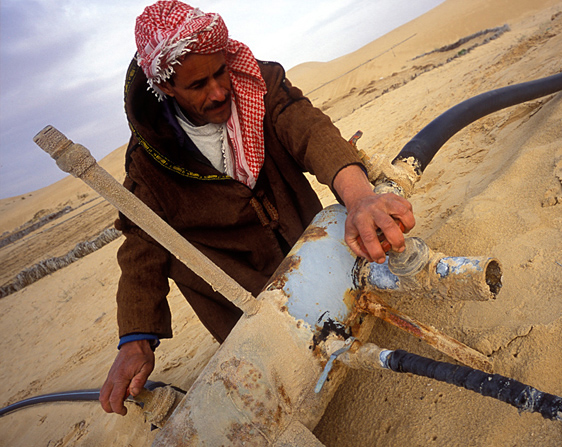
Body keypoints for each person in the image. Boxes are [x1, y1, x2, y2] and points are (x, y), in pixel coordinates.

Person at [100, 0, 415, 415]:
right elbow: (142, 243)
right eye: (197, 86)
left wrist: (359, 197)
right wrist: (135, 339)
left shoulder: (260, 84)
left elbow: (308, 130)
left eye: (220, 72)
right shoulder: (148, 163)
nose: (218, 92)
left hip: (306, 244)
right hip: (242, 292)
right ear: (167, 89)